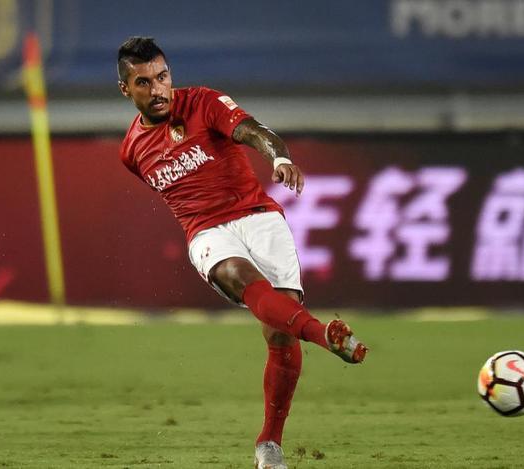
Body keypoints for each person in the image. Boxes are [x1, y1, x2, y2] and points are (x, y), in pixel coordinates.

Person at [117, 36, 367, 469]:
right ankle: (324, 335)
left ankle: (269, 443)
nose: (157, 89)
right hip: (205, 232)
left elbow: (254, 131)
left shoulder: (203, 102)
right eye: (144, 82)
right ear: (126, 89)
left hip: (258, 216)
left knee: (280, 333)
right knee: (237, 274)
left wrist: (280, 158)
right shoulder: (131, 152)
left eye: (162, 77)